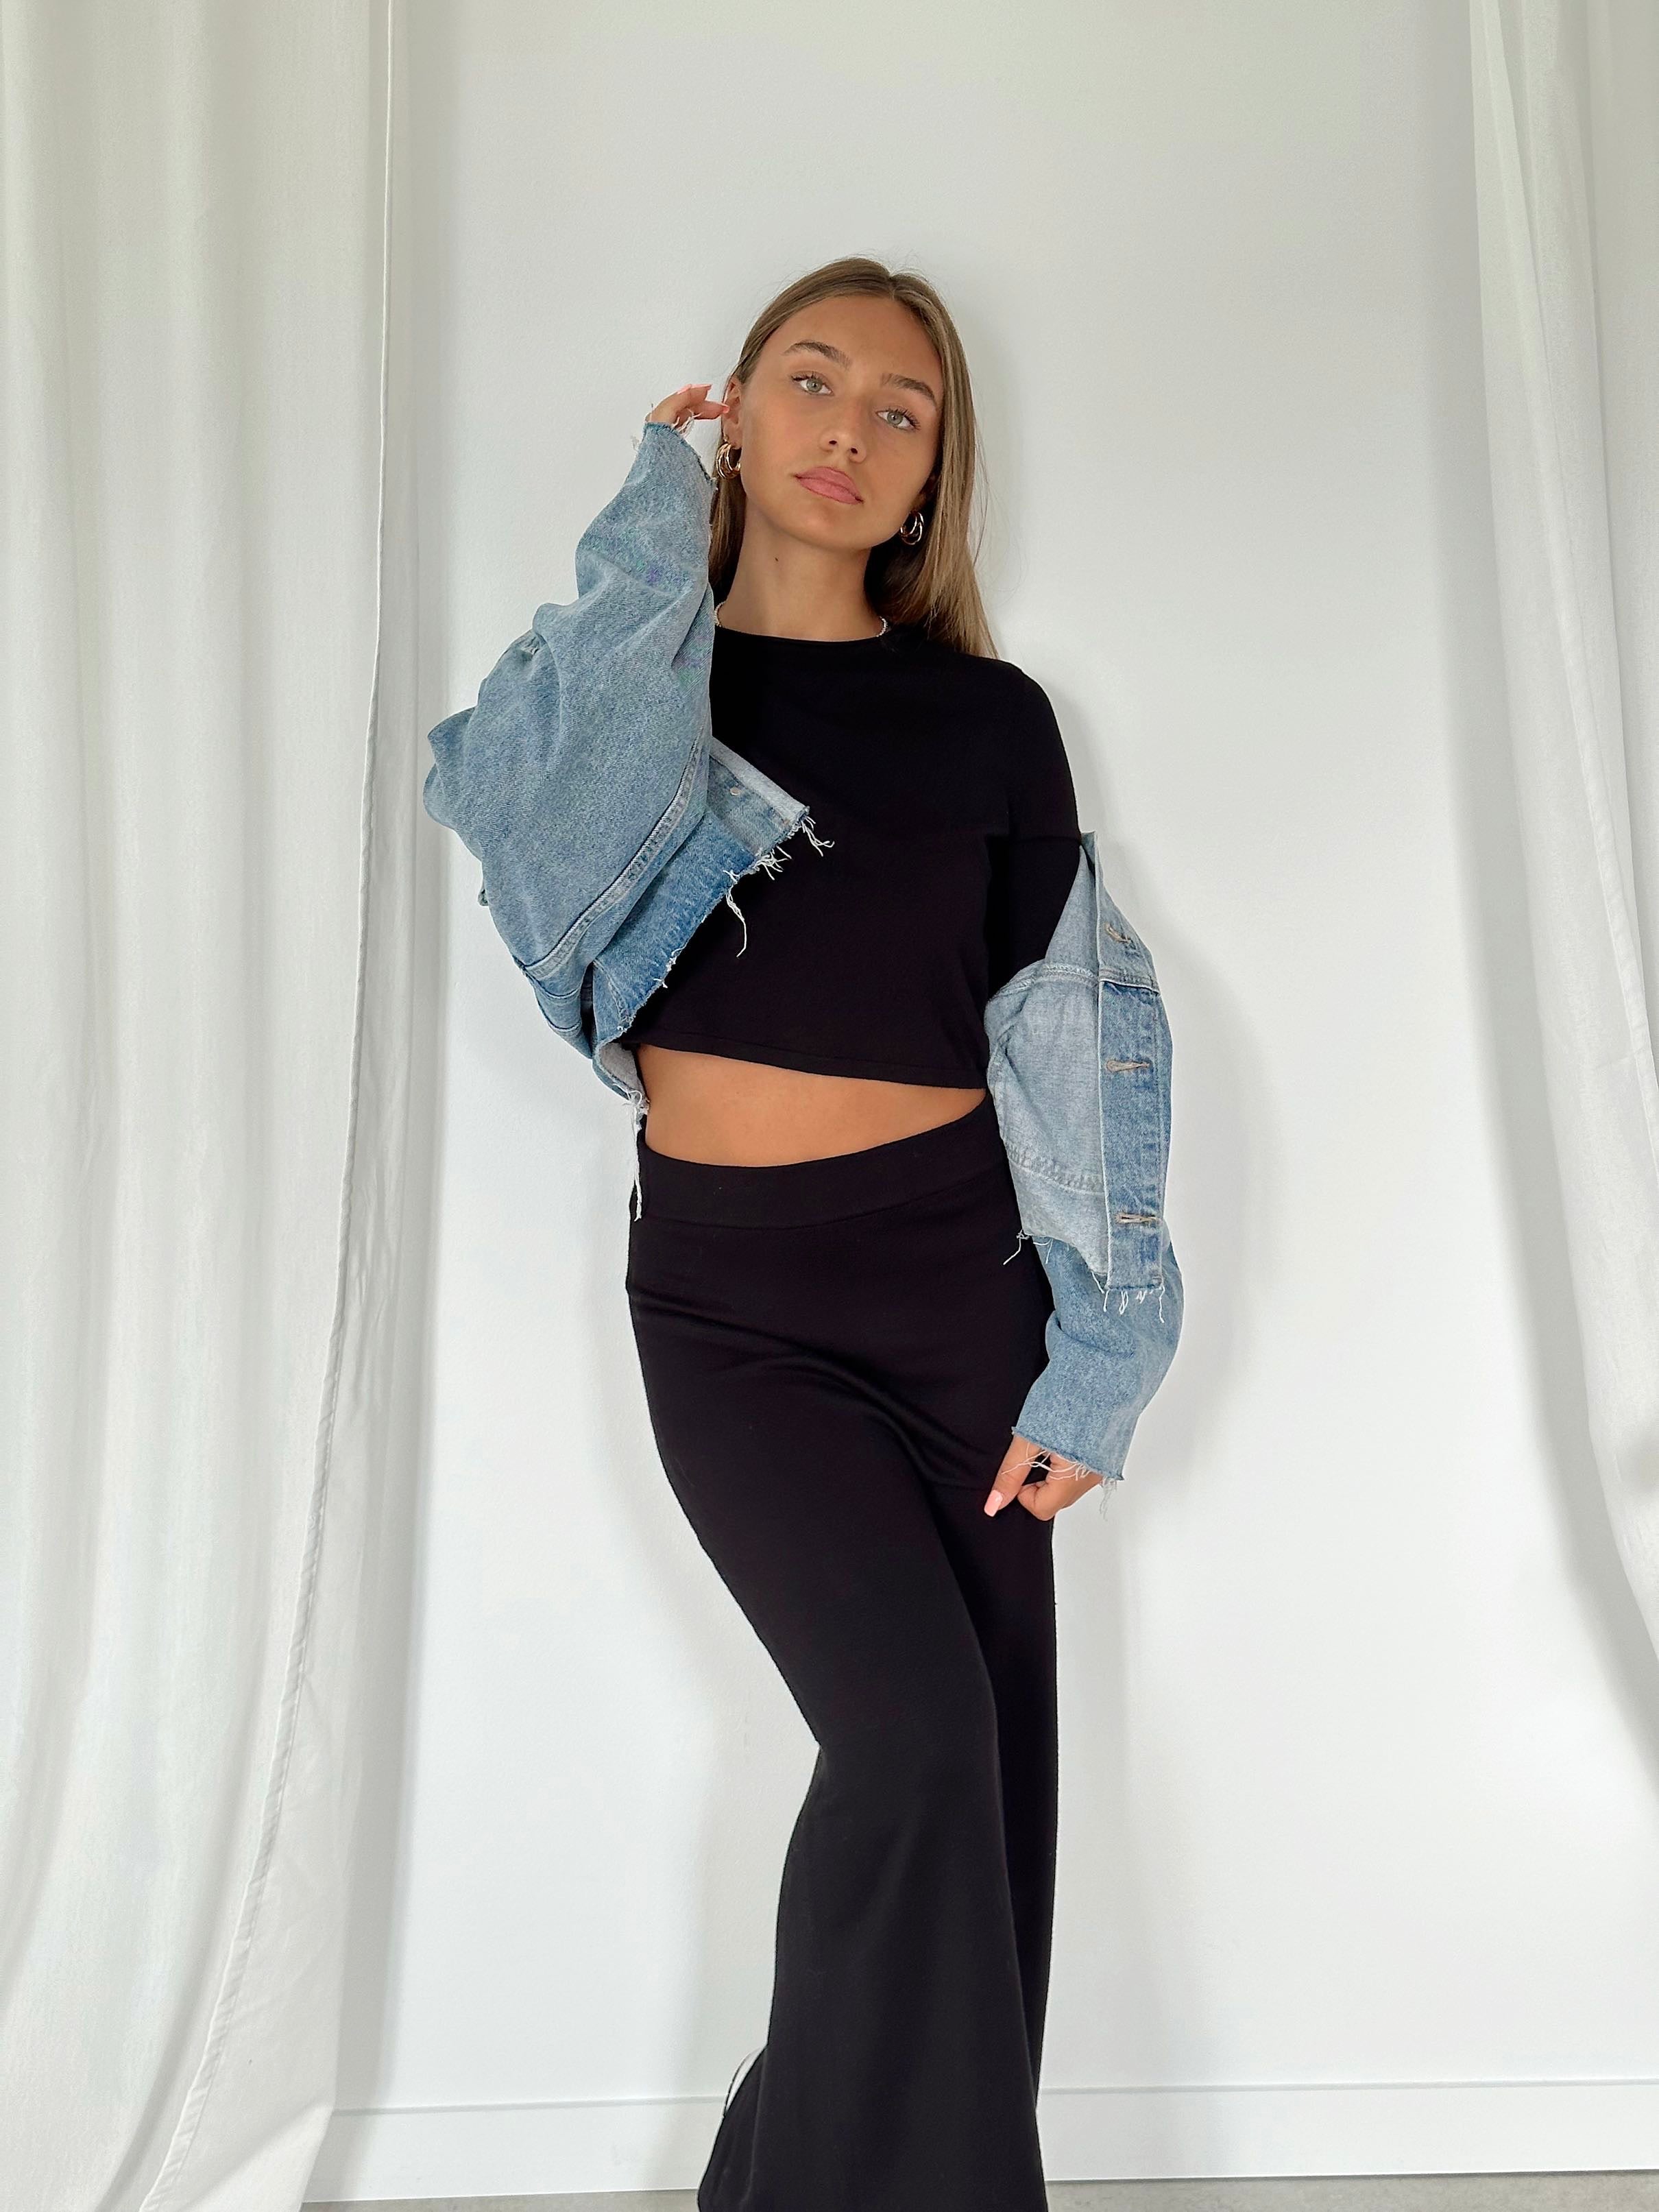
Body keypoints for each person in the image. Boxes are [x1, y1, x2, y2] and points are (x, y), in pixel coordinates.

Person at [424, 253, 1184, 2212]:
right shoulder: (641, 694)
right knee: (912, 1748)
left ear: (932, 477)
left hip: (962, 1291)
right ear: (737, 415)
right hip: (735, 1313)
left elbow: (1073, 1033)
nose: (851, 429)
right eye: (812, 380)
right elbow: (519, 810)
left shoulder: (991, 721)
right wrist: (640, 538)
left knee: (980, 1797)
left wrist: (1101, 1350)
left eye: (900, 410)